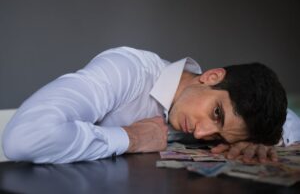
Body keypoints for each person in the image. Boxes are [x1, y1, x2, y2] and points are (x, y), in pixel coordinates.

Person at [2, 47, 300, 164]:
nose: (200, 133)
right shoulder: (126, 71)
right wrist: (130, 137)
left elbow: (287, 119)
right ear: (211, 77)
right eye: (216, 114)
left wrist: (269, 143)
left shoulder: (227, 116)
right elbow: (23, 140)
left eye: (218, 135)